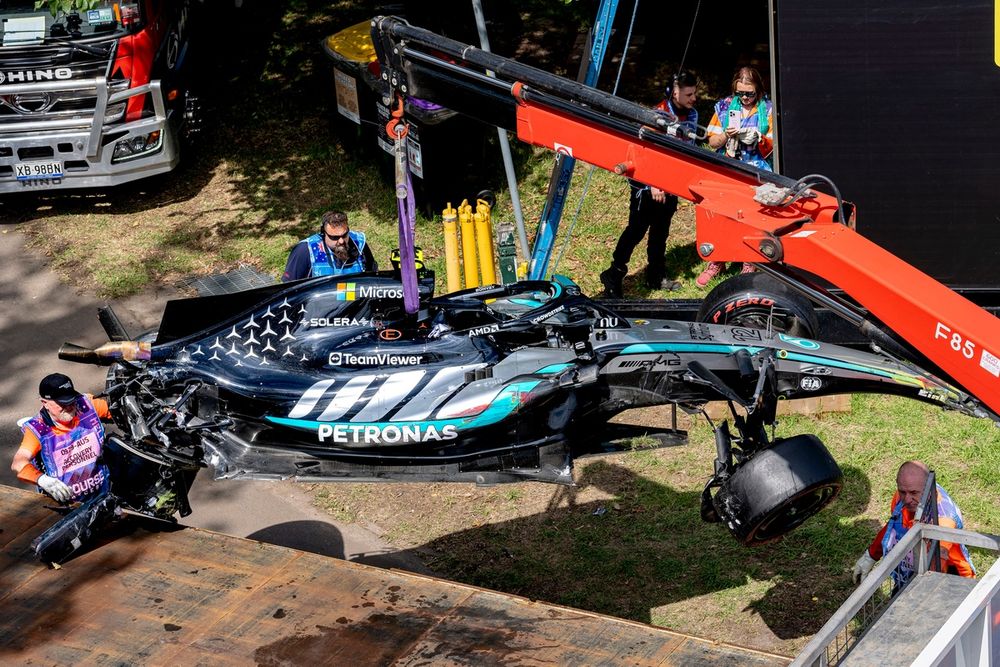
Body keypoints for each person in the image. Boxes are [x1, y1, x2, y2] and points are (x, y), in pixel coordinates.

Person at [600, 71, 699, 298]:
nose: (694, 98)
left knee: (660, 231)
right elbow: (644, 152)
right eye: (689, 94)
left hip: (671, 183)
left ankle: (655, 274)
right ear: (674, 93)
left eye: (695, 93)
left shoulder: (692, 114)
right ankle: (614, 273)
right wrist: (654, 182)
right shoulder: (657, 115)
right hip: (647, 185)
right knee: (636, 230)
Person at [696, 66, 775, 286]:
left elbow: (772, 146)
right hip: (727, 165)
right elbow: (711, 142)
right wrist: (725, 136)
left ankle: (748, 261)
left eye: (749, 93)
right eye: (740, 93)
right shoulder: (723, 106)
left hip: (755, 168)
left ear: (758, 90)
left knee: (750, 215)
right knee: (720, 214)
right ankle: (717, 260)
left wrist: (757, 137)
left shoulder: (767, 109)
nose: (745, 98)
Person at [852, 460, 975, 586]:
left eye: (913, 493)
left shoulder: (944, 520)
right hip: (911, 568)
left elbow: (938, 560)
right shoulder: (903, 496)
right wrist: (871, 555)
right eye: (902, 492)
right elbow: (894, 524)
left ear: (927, 487)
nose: (907, 499)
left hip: (949, 577)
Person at [12, 373, 111, 504]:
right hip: (66, 506)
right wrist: (42, 479)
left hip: (103, 496)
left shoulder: (87, 406)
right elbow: (18, 463)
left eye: (71, 400)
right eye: (63, 403)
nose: (70, 407)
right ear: (45, 403)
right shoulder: (38, 429)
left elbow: (122, 412)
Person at [281, 210, 377, 282]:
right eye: (334, 237)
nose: (341, 241)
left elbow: (373, 278)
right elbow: (289, 288)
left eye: (344, 235)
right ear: (323, 233)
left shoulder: (359, 242)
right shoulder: (305, 250)